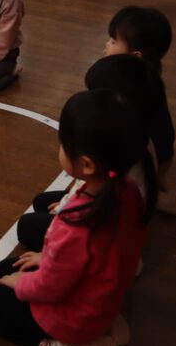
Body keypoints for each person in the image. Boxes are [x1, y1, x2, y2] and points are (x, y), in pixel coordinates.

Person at [0, 89, 154, 346]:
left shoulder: (77, 223)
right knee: (7, 268)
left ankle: (57, 344)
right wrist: (46, 259)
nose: (60, 148)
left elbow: (50, 288)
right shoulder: (128, 190)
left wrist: (22, 284)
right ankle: (105, 324)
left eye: (63, 144)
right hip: (103, 299)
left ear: (87, 164)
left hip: (74, 318)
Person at [17, 54, 163, 252]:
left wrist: (63, 213)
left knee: (26, 226)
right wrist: (65, 203)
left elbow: (61, 263)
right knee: (41, 201)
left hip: (93, 245)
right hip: (111, 232)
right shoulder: (133, 141)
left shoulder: (103, 176)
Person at [104, 6, 176, 214]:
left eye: (113, 41)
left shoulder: (128, 89)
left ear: (135, 55)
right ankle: (160, 180)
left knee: (124, 191)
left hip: (151, 158)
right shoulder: (149, 74)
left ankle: (162, 198)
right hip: (163, 155)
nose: (106, 45)